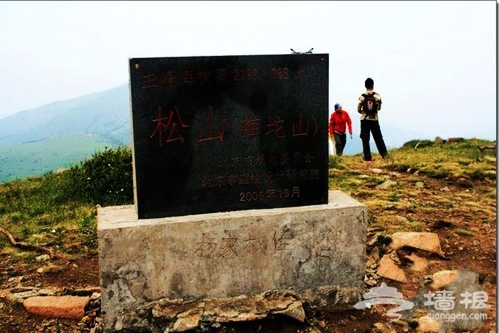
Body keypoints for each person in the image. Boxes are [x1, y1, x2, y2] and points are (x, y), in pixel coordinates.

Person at [357, 78, 388, 161]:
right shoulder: (377, 96)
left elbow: (358, 109)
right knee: (378, 137)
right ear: (373, 85)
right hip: (374, 119)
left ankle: (367, 156)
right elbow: (379, 108)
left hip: (364, 120)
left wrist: (363, 112)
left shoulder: (362, 97)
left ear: (365, 86)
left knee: (365, 138)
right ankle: (384, 154)